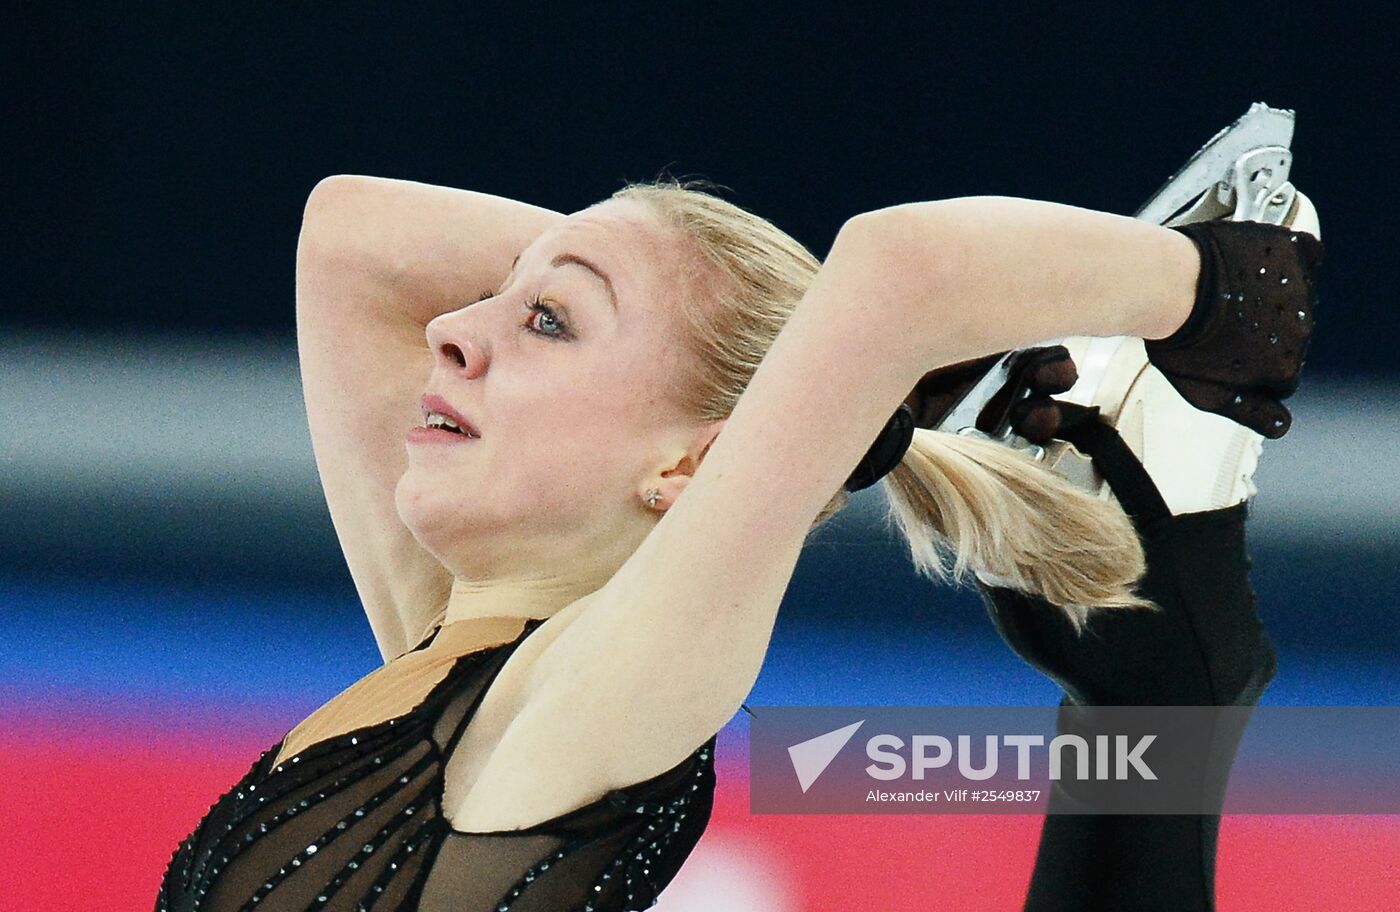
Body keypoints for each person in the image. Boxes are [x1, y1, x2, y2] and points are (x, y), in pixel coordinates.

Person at [154, 175, 1323, 911]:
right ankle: (1165, 692)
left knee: (1153, 726)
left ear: (688, 467)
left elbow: (903, 268)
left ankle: (1170, 691)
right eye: (500, 301)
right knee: (1150, 723)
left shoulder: (573, 702)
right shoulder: (449, 665)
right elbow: (354, 233)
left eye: (545, 321)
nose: (451, 332)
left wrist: (1221, 287)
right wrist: (807, 371)